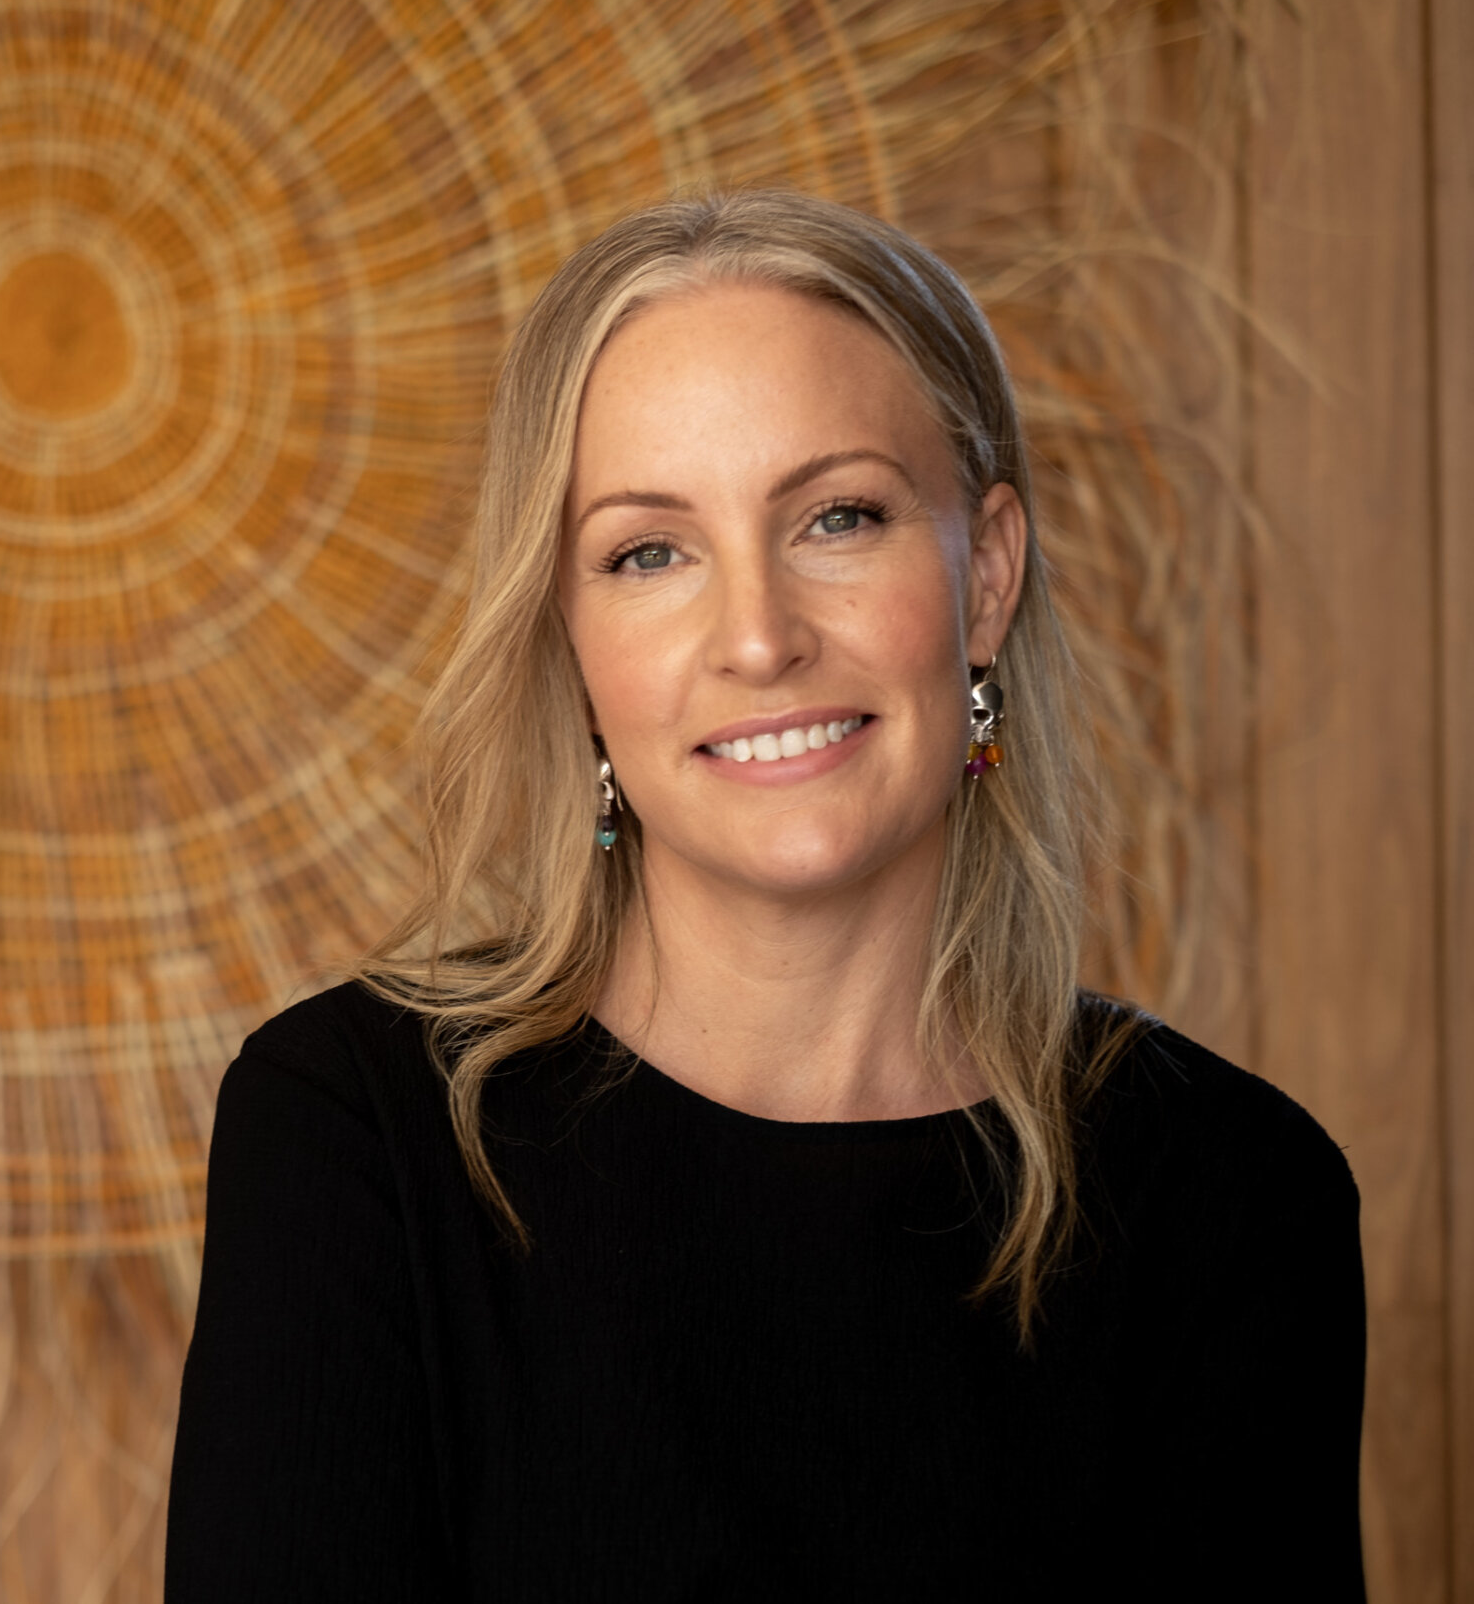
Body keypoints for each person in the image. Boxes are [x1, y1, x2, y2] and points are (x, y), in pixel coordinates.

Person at [164, 192, 1363, 1601]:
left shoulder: (1230, 1193)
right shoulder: (357, 1130)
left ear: (985, 577)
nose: (757, 637)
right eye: (649, 551)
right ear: (571, 634)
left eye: (836, 517)